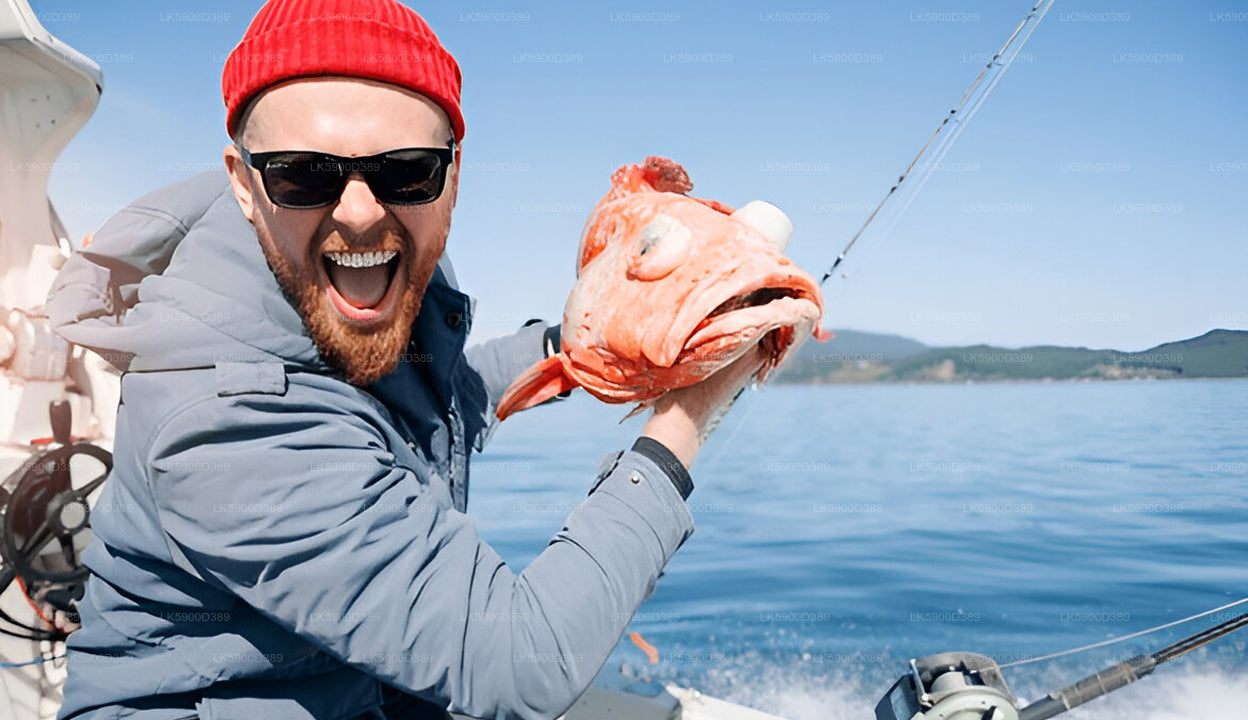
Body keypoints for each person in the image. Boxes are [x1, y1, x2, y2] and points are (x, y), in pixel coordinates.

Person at [46, 1, 764, 718]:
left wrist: (572, 346)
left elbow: (451, 397)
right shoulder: (224, 415)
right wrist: (690, 413)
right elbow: (521, 664)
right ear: (244, 183)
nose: (359, 212)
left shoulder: (354, 293)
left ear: (452, 175)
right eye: (302, 174)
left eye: (407, 171)